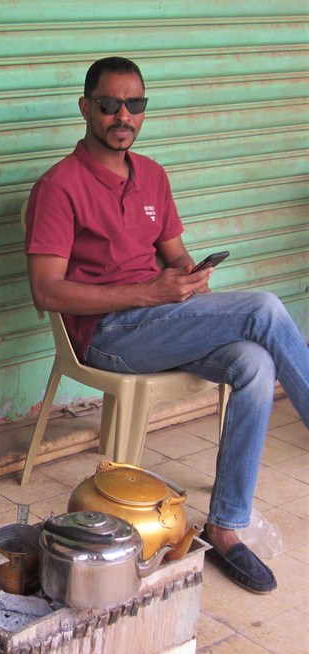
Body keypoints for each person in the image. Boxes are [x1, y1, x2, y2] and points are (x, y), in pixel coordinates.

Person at [24, 56, 309, 593]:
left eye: (135, 105)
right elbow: (46, 291)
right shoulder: (59, 187)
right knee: (263, 307)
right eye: (110, 104)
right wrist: (149, 292)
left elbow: (175, 257)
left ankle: (225, 527)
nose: (123, 116)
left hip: (161, 323)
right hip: (106, 336)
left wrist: (188, 278)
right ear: (87, 108)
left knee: (255, 361)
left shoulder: (152, 175)